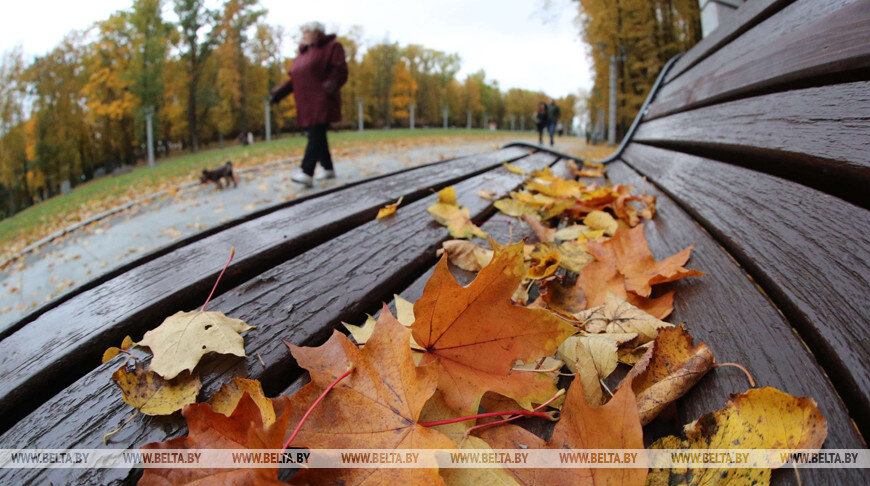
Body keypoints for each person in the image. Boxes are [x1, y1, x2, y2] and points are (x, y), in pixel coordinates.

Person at [270, 21, 348, 188]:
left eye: (306, 32)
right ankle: (328, 168)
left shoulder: (332, 47)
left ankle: (307, 172)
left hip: (322, 99)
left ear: (316, 33)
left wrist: (331, 84)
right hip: (306, 102)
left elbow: (340, 69)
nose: (303, 35)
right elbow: (294, 80)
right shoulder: (304, 54)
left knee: (316, 133)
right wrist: (279, 93)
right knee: (317, 134)